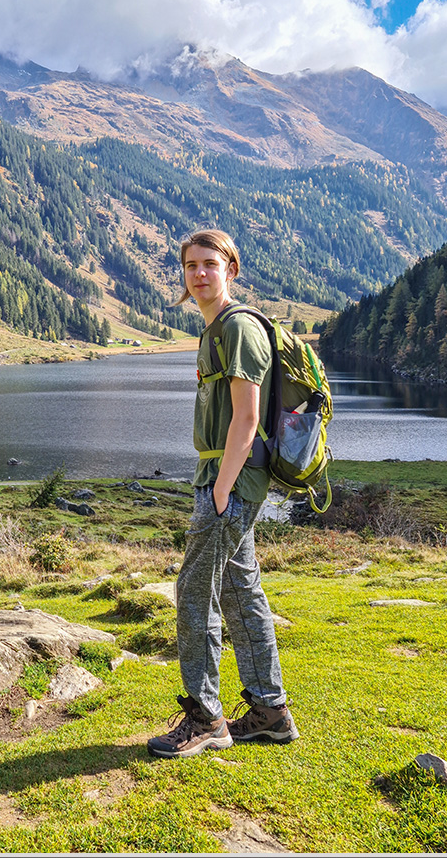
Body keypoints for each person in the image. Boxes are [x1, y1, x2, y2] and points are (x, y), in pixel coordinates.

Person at [146, 228, 299, 758]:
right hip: (228, 480)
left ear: (230, 268)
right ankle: (270, 711)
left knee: (194, 591)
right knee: (239, 588)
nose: (200, 274)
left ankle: (206, 718)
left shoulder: (236, 329)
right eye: (190, 266)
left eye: (210, 264)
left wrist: (221, 491)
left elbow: (248, 417)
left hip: (228, 483)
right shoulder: (218, 329)